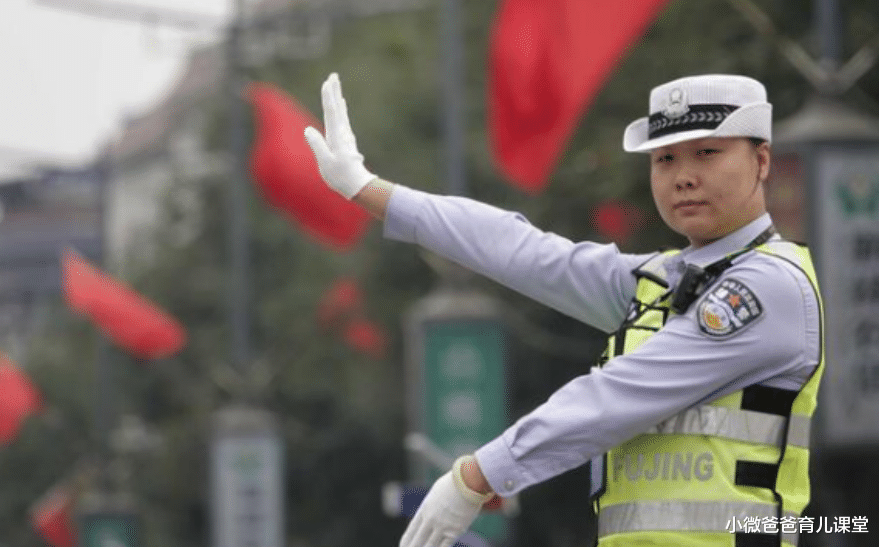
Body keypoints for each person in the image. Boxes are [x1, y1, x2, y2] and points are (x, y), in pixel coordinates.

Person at [304, 73, 824, 547]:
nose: (683, 176)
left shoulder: (766, 285)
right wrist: (368, 190)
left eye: (707, 153)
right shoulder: (665, 281)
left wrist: (477, 475)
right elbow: (522, 250)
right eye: (665, 159)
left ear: (761, 161)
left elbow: (619, 393)